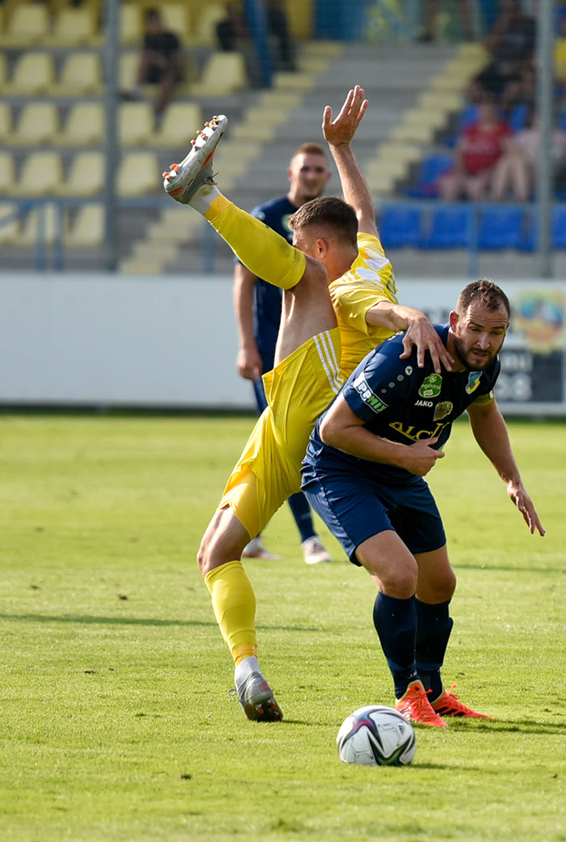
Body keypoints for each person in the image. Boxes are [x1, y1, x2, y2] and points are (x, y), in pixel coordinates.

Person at [162, 86, 451, 721]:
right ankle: (249, 674)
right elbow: (364, 214)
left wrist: (410, 319)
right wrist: (343, 148)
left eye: (300, 240)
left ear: (318, 241)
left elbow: (373, 306)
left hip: (312, 408)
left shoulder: (336, 285)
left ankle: (205, 196)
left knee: (305, 282)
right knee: (214, 552)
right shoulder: (371, 256)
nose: (299, 251)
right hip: (312, 434)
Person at [302, 279, 545, 726]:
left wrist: (512, 480)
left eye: (497, 333)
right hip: (340, 470)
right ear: (454, 321)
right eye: (475, 329)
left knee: (439, 585)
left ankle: (431, 691)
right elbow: (332, 430)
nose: (485, 342)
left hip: (402, 474)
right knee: (399, 574)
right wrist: (405, 455)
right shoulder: (402, 358)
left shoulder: (481, 364)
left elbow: (485, 412)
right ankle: (406, 694)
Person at [234, 143, 335, 564]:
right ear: (290, 173)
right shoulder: (267, 217)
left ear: (325, 178)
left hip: (317, 348)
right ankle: (310, 538)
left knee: (286, 441)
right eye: (305, 168)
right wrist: (246, 344)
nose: (311, 175)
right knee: (289, 440)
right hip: (272, 349)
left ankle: (248, 532)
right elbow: (245, 284)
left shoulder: (332, 220)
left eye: (318, 170)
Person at [489, 109, 566, 203]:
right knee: (510, 160)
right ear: (532, 118)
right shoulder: (524, 135)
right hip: (527, 173)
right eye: (538, 116)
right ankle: (506, 197)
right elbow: (511, 151)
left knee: (515, 160)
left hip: (549, 174)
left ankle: (506, 198)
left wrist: (564, 154)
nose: (541, 119)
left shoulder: (558, 134)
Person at [438, 102, 512, 203]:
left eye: (489, 111)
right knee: (449, 185)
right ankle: (450, 217)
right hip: (466, 171)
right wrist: (462, 173)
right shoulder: (470, 129)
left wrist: (490, 172)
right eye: (482, 111)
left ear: (494, 112)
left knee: (476, 187)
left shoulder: (502, 130)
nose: (485, 113)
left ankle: (479, 216)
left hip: (488, 173)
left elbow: (508, 155)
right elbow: (459, 152)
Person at [137, 8, 183, 123]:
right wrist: (158, 60)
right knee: (146, 60)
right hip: (154, 72)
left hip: (169, 72)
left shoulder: (171, 38)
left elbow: (177, 62)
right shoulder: (148, 38)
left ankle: (159, 113)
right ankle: (137, 89)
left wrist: (164, 64)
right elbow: (145, 56)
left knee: (168, 78)